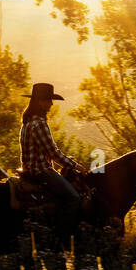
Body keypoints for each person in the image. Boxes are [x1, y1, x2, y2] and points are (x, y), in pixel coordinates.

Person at [18, 83, 89, 236]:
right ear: (39, 102)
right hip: (41, 172)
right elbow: (54, 153)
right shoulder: (40, 124)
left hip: (28, 170)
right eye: (48, 100)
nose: (50, 104)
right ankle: (63, 238)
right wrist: (77, 166)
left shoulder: (27, 123)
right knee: (74, 199)